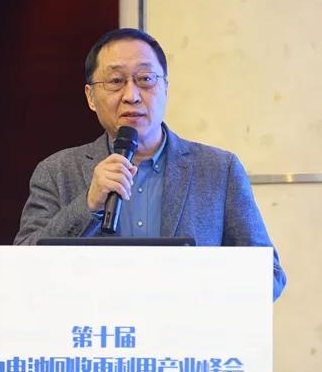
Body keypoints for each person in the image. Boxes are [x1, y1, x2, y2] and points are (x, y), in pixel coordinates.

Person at [14, 28, 286, 300]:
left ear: (165, 87)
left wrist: (200, 287)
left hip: (186, 325)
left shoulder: (219, 170)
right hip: (96, 327)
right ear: (90, 97)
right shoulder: (56, 172)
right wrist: (88, 205)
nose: (131, 95)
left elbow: (269, 275)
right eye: (116, 81)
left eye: (145, 79)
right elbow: (19, 270)